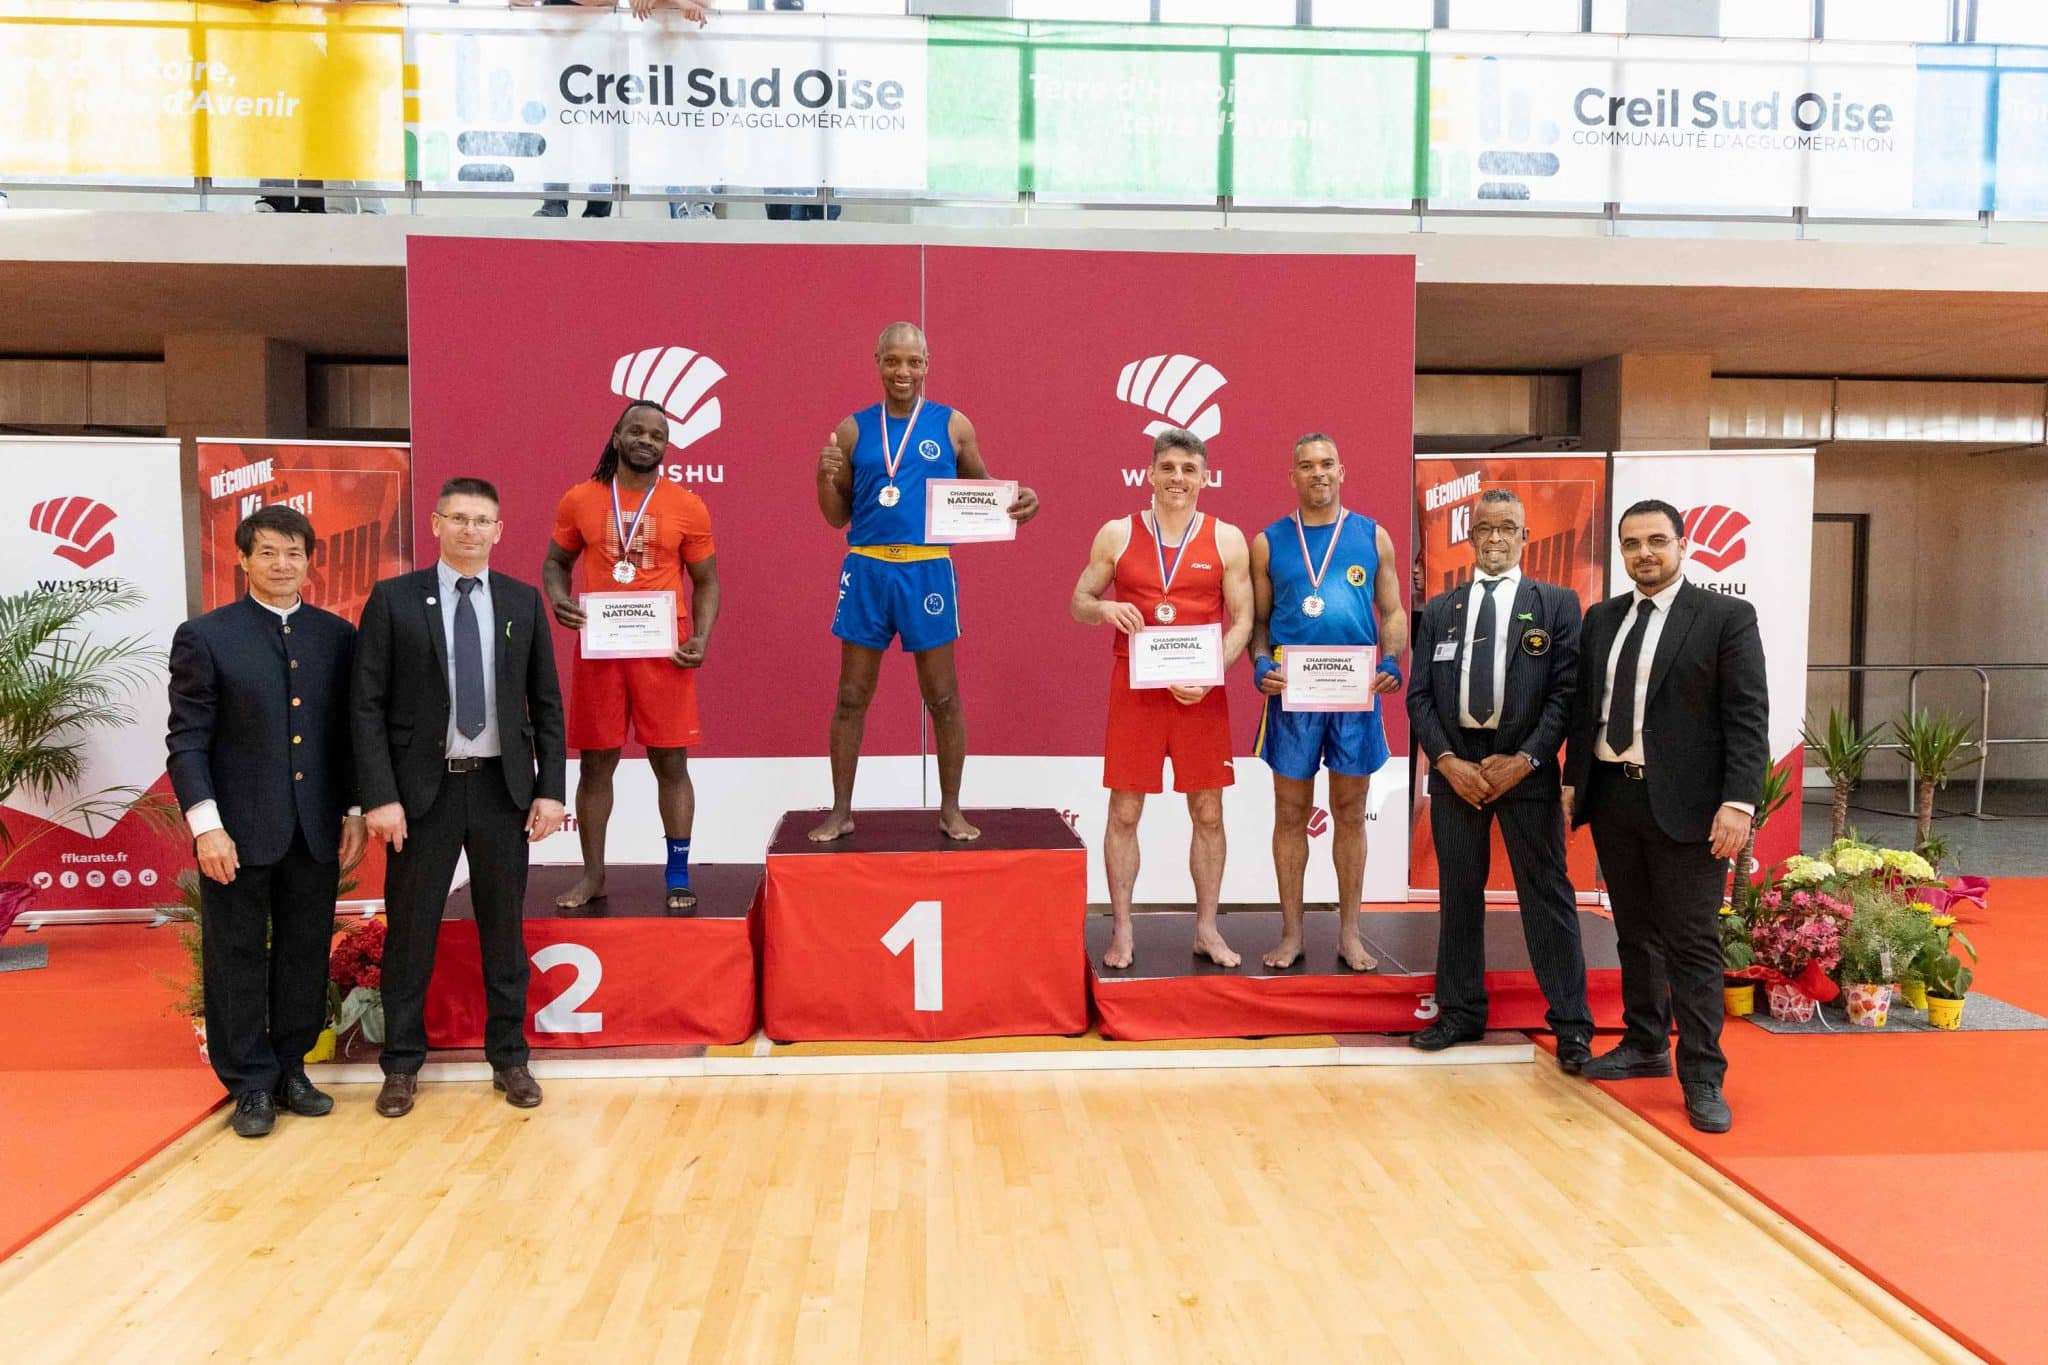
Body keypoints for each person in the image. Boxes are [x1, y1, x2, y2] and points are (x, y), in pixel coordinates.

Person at [354, 478, 568, 1118]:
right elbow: (366, 706)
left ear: (498, 531)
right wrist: (379, 796)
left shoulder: (522, 601)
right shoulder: (394, 600)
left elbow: (547, 704)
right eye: (458, 518)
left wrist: (551, 790)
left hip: (503, 790)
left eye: (482, 521)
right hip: (423, 795)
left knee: (503, 932)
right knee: (410, 934)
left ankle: (510, 1058)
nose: (470, 530)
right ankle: (401, 1065)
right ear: (436, 524)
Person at [1563, 498, 1768, 1134]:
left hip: (1691, 809)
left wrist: (1739, 803)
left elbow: (1747, 716)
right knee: (1634, 933)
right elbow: (1586, 708)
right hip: (1615, 798)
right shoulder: (1602, 618)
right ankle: (1645, 1043)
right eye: (1631, 543)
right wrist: (1574, 782)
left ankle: (1703, 1075)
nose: (1644, 553)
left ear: (1683, 545)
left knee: (1692, 944)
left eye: (1656, 540)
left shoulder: (1725, 617)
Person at [166, 506, 365, 1138]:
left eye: (294, 554)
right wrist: (206, 826)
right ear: (243, 560)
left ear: (310, 562)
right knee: (237, 956)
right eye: (269, 553)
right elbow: (187, 740)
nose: (283, 565)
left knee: (305, 952)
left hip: (315, 829)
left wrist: (353, 809)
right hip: (235, 832)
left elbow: (347, 735)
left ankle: (291, 1069)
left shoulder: (337, 636)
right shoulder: (206, 635)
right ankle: (249, 1082)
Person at [809, 322, 1038, 843]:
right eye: (893, 360)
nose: (903, 371)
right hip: (867, 569)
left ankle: (951, 810)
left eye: (913, 361)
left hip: (928, 569)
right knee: (851, 696)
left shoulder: (953, 425)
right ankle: (841, 811)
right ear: (877, 362)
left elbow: (986, 491)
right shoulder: (852, 429)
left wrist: (1023, 500)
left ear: (927, 365)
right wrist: (823, 476)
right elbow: (836, 515)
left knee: (944, 697)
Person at [1405, 488, 1593, 1068]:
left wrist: (1527, 759)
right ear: (1470, 536)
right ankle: (1460, 1013)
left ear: (1524, 537)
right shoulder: (1441, 608)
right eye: (1485, 528)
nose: (1495, 538)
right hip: (1456, 772)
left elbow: (1566, 694)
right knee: (1458, 895)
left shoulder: (1557, 604)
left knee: (1546, 895)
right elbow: (1418, 696)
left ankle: (1572, 1025)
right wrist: (1446, 761)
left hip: (1527, 771)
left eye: (1507, 528)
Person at [1071, 428, 1251, 969]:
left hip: (1201, 694)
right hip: (1136, 691)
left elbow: (1243, 620)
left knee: (1209, 812)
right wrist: (1104, 609)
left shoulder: (1227, 539)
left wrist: (1214, 671)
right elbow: (1080, 600)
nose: (1178, 478)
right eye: (1168, 468)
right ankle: (1123, 930)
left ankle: (1207, 929)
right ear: (1150, 473)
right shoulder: (1117, 534)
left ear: (1205, 478)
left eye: (1189, 470)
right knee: (1125, 810)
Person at [544, 402, 720, 911]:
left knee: (671, 762)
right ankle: (593, 875)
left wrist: (702, 637)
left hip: (665, 650)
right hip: (601, 648)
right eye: (637, 431)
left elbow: (707, 581)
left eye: (658, 435)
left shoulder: (687, 505)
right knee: (595, 765)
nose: (647, 440)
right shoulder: (580, 499)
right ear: (617, 436)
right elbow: (555, 563)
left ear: (667, 445)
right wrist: (558, 598)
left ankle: (678, 873)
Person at [1248, 433, 1406, 972]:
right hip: (1293, 694)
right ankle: (1291, 934)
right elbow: (1259, 622)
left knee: (1350, 812)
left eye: (1326, 464)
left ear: (1342, 471)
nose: (1317, 473)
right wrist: (1260, 662)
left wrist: (1391, 660)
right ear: (1292, 476)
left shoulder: (1373, 536)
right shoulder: (1268, 541)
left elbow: (1392, 612)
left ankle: (1350, 934)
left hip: (1355, 692)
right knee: (1290, 812)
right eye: (1306, 465)